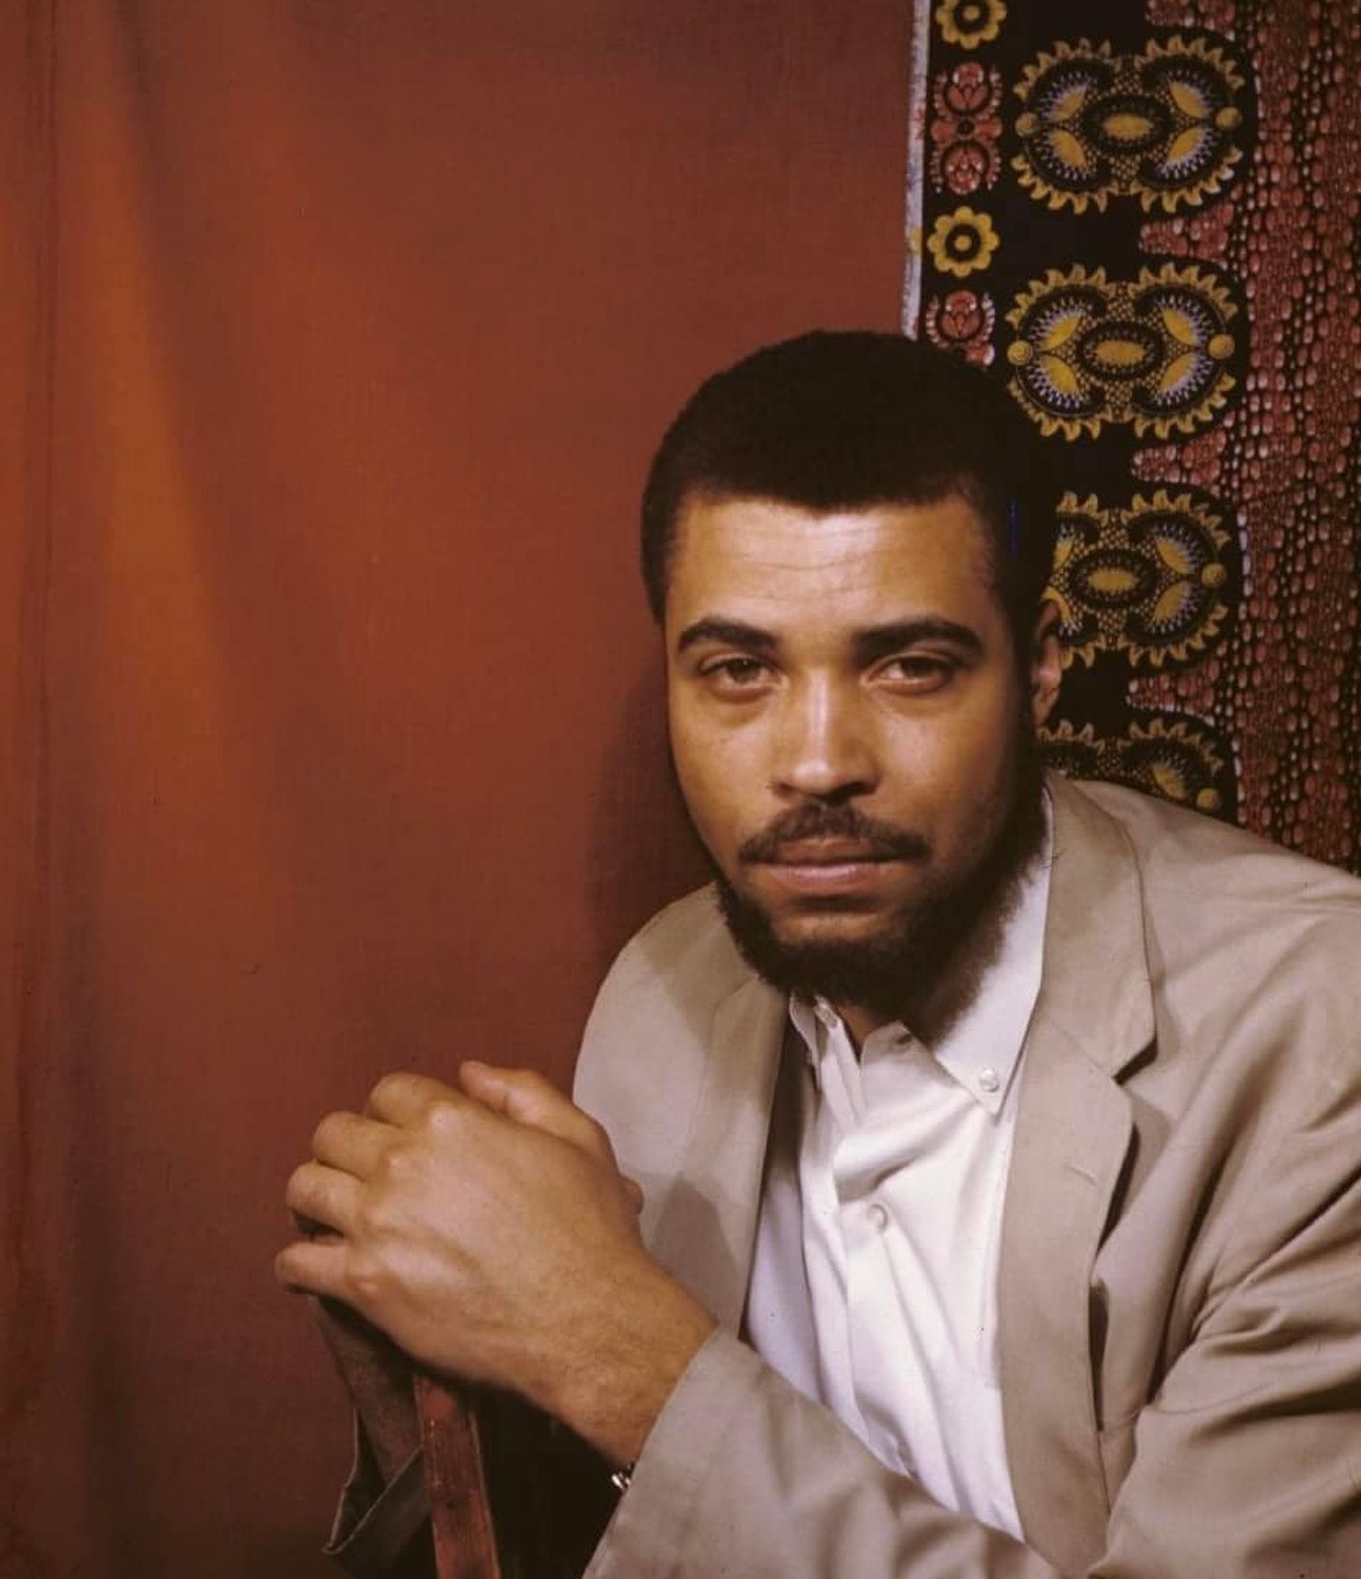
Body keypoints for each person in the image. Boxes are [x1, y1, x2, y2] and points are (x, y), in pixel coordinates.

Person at [278, 330, 1361, 1577]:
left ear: (1041, 665)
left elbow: (648, 1402)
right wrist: (447, 1337)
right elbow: (631, 1524)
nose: (815, 760)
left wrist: (623, 1352)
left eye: (908, 666)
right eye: (739, 670)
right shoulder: (662, 991)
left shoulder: (1318, 1036)